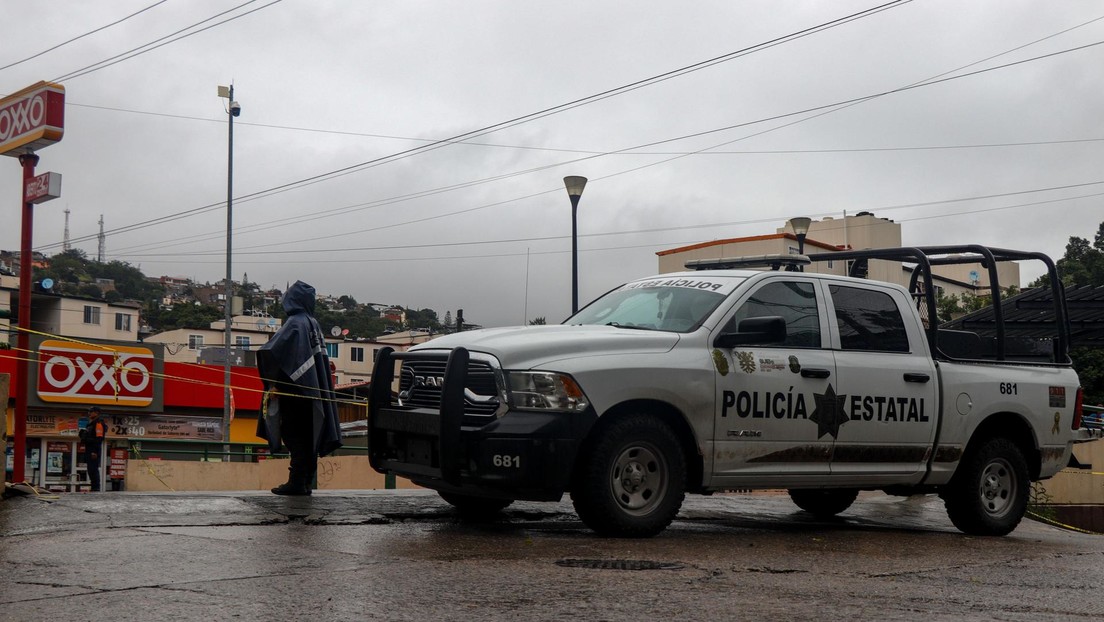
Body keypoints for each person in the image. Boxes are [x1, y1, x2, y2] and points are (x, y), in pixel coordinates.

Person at [257, 281, 342, 496]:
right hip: (311, 392)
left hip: (295, 393)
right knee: (308, 437)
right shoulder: (313, 323)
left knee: (294, 436)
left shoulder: (295, 323)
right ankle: (305, 482)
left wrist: (272, 378)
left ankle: (296, 482)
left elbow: (274, 352)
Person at [80, 406, 108, 492]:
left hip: (94, 450)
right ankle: (94, 487)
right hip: (89, 448)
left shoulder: (98, 423)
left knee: (93, 469)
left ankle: (96, 488)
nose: (89, 413)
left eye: (91, 411)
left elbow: (99, 439)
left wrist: (94, 451)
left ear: (96, 413)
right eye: (89, 411)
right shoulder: (90, 424)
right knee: (90, 469)